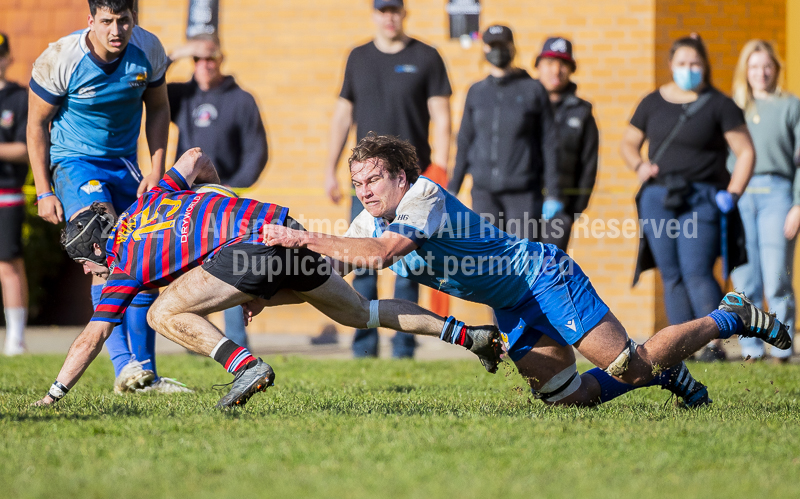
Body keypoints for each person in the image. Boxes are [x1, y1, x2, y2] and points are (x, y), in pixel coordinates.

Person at [264, 133, 792, 408]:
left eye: (374, 179)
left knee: (626, 367)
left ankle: (731, 315)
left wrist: (301, 235)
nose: (365, 191)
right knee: (569, 398)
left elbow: (380, 256)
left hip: (541, 275)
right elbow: (331, 270)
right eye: (357, 183)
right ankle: (663, 368)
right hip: (512, 304)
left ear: (401, 177)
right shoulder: (365, 220)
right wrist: (266, 291)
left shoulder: (423, 196)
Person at [33, 148, 502, 408]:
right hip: (282, 230)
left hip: (252, 248)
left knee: (162, 311)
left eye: (84, 261)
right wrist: (218, 196)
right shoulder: (152, 197)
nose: (88, 270)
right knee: (360, 312)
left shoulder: (123, 262)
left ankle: (246, 367)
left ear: (97, 247)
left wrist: (53, 397)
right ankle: (471, 336)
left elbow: (89, 339)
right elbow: (195, 157)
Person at [27, 0, 185, 392]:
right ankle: (123, 366)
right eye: (107, 21)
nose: (116, 30)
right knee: (101, 252)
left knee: (146, 257)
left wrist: (156, 170)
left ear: (134, 20)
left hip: (125, 164)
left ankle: (144, 375)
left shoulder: (148, 50)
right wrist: (44, 190)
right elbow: (35, 124)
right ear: (91, 21)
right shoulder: (60, 59)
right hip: (75, 163)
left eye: (124, 20)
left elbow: (159, 107)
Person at [323, 0, 452, 359]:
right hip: (366, 179)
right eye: (382, 9)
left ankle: (404, 347)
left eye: (394, 9)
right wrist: (329, 169)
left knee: (408, 267)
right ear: (374, 13)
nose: (389, 16)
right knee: (361, 261)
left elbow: (441, 116)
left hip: (409, 183)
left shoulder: (427, 56)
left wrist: (440, 166)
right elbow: (342, 116)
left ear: (403, 13)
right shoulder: (358, 57)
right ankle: (363, 347)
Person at [620, 34, 756, 362]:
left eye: (694, 63)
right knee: (671, 273)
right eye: (682, 64)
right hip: (659, 198)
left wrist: (733, 193)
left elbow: (746, 152)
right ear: (671, 65)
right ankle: (681, 346)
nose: (688, 69)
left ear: (704, 65)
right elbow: (627, 143)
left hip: (702, 198)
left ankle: (712, 343)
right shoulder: (652, 102)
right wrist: (639, 166)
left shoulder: (719, 104)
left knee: (696, 270)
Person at [167, 34, 269, 350]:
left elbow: (257, 151)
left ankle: (237, 340)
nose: (204, 65)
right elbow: (148, 85)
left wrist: (232, 187)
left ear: (221, 59)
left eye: (210, 58)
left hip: (226, 201)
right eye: (197, 59)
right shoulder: (182, 96)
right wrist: (180, 52)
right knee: (186, 268)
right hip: (186, 199)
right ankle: (198, 338)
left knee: (231, 268)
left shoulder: (241, 99)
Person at [448, 25, 554, 241]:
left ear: (512, 48)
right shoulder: (476, 91)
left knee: (523, 260)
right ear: (484, 49)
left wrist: (553, 192)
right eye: (492, 46)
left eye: (503, 45)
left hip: (523, 192)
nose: (498, 51)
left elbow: (549, 143)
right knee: (487, 261)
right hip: (484, 193)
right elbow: (466, 140)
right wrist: (453, 189)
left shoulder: (532, 89)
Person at [728, 39, 799, 363]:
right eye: (754, 66)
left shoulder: (790, 105)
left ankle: (781, 347)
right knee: (745, 277)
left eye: (766, 66)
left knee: (776, 277)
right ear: (746, 71)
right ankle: (751, 349)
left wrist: (797, 204)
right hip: (739, 194)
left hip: (778, 193)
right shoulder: (734, 107)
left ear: (776, 69)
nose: (761, 72)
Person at [534, 36, 599, 250]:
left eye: (563, 64)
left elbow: (588, 165)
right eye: (550, 63)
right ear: (538, 66)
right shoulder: (522, 106)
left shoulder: (582, 113)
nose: (556, 70)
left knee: (550, 271)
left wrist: (573, 211)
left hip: (560, 208)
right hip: (521, 203)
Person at [0, 33, 29, 356]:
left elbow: (24, 147)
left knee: (8, 263)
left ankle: (15, 340)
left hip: (6, 193)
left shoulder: (18, 98)